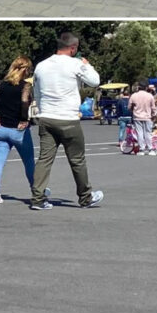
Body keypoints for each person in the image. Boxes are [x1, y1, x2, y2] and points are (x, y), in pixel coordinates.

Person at [30, 32, 103, 210]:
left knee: (44, 159)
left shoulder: (41, 65)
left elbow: (37, 93)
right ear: (73, 48)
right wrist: (87, 65)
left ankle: (37, 198)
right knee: (77, 160)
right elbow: (95, 81)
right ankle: (85, 197)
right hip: (68, 118)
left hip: (47, 117)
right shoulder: (75, 64)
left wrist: (42, 110)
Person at [0, 57, 46, 205]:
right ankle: (37, 192)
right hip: (18, 130)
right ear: (25, 70)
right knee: (29, 161)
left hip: (2, 129)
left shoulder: (3, 85)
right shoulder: (25, 86)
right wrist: (25, 119)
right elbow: (25, 101)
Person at [129, 81, 157, 156]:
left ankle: (141, 149)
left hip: (137, 116)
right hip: (148, 116)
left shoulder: (134, 95)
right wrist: (154, 115)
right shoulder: (150, 96)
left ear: (138, 87)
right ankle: (150, 148)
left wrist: (133, 110)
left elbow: (129, 106)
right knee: (148, 133)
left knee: (139, 133)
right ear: (146, 87)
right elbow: (153, 107)